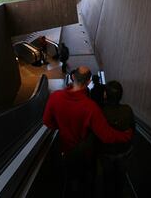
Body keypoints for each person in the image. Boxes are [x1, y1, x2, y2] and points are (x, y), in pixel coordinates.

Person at [43, 67, 133, 198]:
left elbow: (47, 122)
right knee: (88, 181)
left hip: (67, 151)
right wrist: (126, 135)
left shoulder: (55, 97)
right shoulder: (91, 107)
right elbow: (106, 135)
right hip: (86, 153)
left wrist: (62, 126)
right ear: (89, 81)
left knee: (72, 179)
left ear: (73, 77)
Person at [100, 80, 135, 198]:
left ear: (105, 94)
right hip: (124, 152)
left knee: (107, 179)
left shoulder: (101, 112)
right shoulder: (127, 110)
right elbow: (133, 129)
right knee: (121, 179)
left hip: (106, 153)